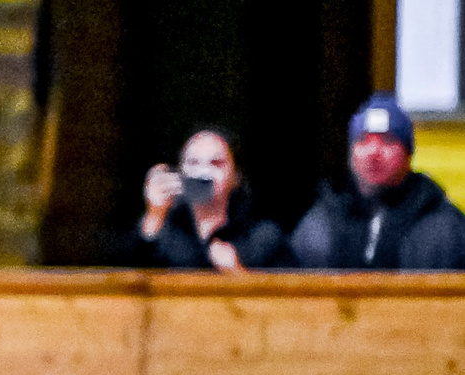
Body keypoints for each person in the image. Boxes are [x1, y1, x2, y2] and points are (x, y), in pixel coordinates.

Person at [289, 94, 465, 270]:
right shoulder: (321, 221)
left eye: (388, 141)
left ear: (408, 155)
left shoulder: (445, 227)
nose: (374, 152)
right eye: (363, 140)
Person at [128, 126, 288, 270]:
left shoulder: (262, 237)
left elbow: (292, 296)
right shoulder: (167, 230)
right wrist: (155, 215)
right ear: (180, 171)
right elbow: (125, 280)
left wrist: (238, 273)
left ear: (236, 176)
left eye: (216, 163)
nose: (204, 173)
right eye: (193, 163)